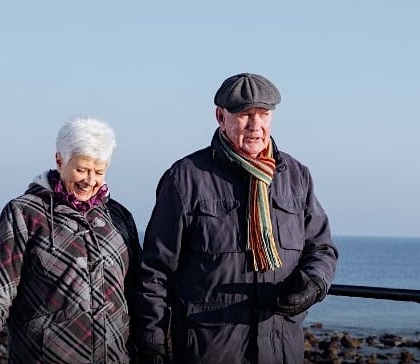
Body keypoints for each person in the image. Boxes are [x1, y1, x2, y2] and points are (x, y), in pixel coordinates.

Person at [134, 73, 339, 363]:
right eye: (245, 115)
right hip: (209, 350)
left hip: (281, 348)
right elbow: (155, 271)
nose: (256, 126)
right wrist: (151, 343)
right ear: (220, 116)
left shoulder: (296, 176)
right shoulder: (185, 178)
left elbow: (322, 249)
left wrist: (315, 284)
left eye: (264, 114)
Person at [0, 117, 141, 363]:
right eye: (81, 169)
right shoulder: (24, 213)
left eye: (99, 172)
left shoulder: (119, 216)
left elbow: (137, 290)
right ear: (60, 160)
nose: (89, 180)